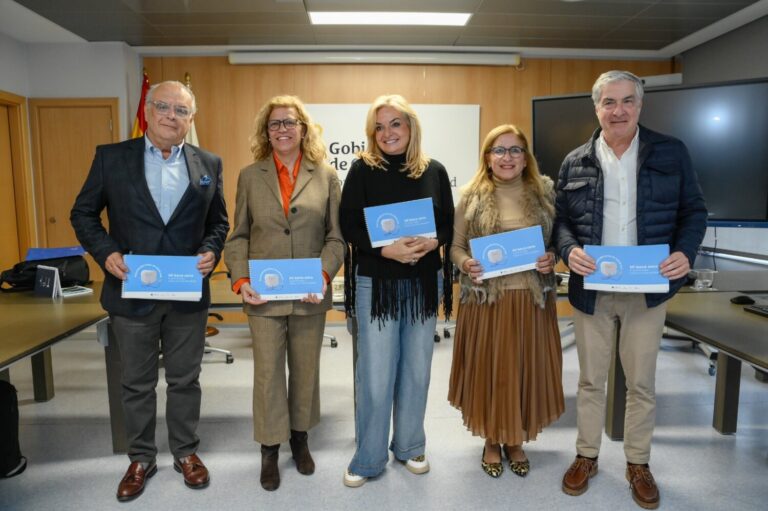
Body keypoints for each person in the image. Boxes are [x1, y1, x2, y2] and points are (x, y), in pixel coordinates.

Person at [70, 80, 229, 502]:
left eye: (181, 110)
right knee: (136, 383)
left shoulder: (208, 163)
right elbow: (83, 213)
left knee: (185, 379)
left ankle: (185, 452)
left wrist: (211, 250)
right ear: (147, 109)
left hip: (186, 295)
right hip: (132, 291)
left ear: (190, 119)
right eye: (163, 106)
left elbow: (218, 222)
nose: (171, 116)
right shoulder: (111, 158)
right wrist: (105, 252)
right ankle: (140, 458)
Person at [555, 70, 707, 509]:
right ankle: (586, 456)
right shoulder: (575, 161)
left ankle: (637, 463)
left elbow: (694, 211)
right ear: (596, 108)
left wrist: (685, 252)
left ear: (640, 106)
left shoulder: (671, 152)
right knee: (590, 380)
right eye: (609, 102)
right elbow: (561, 220)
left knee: (641, 382)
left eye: (627, 101)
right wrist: (568, 249)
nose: (618, 110)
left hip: (648, 288)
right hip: (593, 289)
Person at [224, 95, 344, 491]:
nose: (283, 129)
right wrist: (241, 280)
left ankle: (300, 438)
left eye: (290, 122)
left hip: (309, 294)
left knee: (306, 371)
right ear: (266, 132)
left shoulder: (325, 176)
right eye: (275, 124)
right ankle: (269, 448)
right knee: (268, 374)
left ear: (303, 129)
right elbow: (239, 236)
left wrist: (322, 275)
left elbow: (336, 238)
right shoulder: (249, 176)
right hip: (264, 296)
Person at [339, 94, 454, 487]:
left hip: (423, 282)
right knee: (375, 374)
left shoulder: (434, 171)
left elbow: (447, 224)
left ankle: (409, 446)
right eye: (379, 127)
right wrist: (385, 249)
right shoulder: (362, 169)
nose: (387, 133)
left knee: (417, 370)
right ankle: (368, 457)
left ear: (411, 126)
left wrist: (432, 242)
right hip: (377, 283)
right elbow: (349, 225)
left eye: (395, 123)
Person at [448, 124, 565, 478]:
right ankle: (491, 439)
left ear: (526, 157)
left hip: (532, 302)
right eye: (499, 150)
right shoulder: (470, 197)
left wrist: (552, 257)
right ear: (487, 157)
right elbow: (455, 248)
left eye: (515, 150)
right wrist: (466, 264)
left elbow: (556, 242)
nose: (507, 157)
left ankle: (515, 439)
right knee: (492, 372)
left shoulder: (544, 193)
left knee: (524, 371)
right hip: (487, 303)